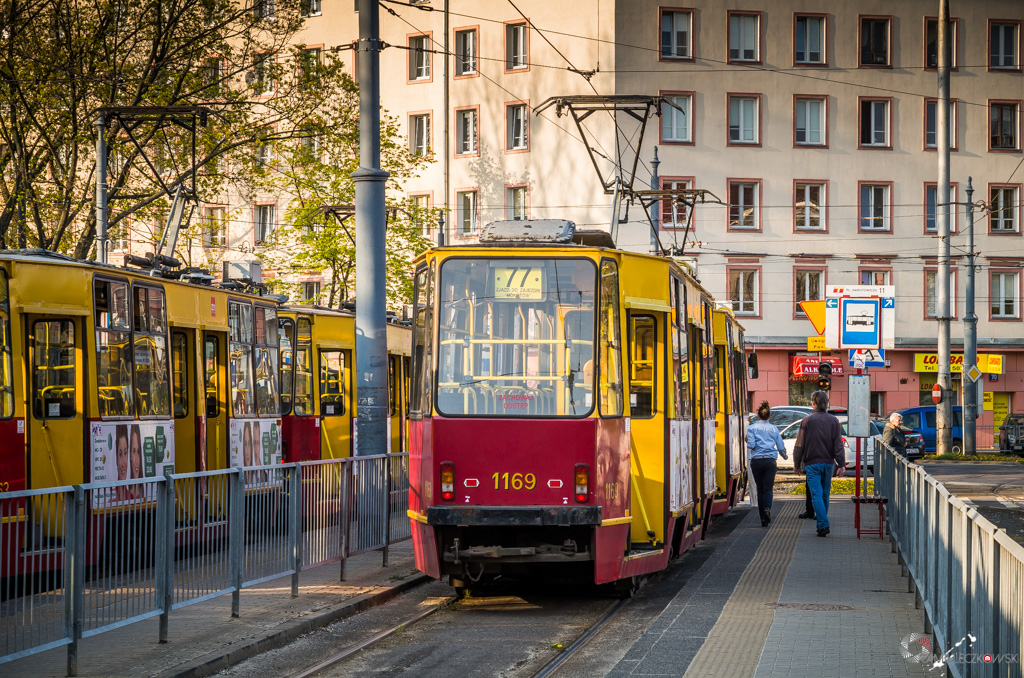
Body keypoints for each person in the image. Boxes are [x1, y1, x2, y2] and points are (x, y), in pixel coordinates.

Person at [793, 390, 845, 537]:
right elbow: (838, 445)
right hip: (829, 464)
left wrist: (797, 464)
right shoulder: (834, 421)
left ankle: (823, 524)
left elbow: (799, 445)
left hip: (812, 463)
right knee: (825, 495)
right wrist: (841, 464)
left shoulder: (807, 420)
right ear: (826, 403)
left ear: (814, 403)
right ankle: (822, 521)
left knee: (816, 494)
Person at [747, 400, 789, 527]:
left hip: (757, 461)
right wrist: (785, 456)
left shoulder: (752, 428)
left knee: (760, 488)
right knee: (768, 488)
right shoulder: (774, 428)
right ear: (769, 416)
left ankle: (762, 518)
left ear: (758, 415)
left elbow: (751, 445)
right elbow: (780, 446)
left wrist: (746, 440)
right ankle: (768, 508)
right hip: (770, 461)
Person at [114, 424, 131, 501]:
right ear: (116, 458)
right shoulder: (111, 498)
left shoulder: (132, 497)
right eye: (120, 454)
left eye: (125, 453)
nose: (124, 464)